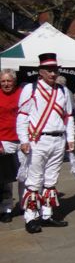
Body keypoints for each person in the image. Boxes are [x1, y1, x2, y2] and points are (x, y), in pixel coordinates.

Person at [17, 53, 75, 233]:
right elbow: (22, 116)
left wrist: (71, 138)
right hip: (38, 140)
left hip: (58, 140)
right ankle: (31, 217)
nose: (52, 74)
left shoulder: (63, 91)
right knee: (34, 180)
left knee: (51, 179)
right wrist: (23, 140)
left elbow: (68, 117)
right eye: (49, 70)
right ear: (40, 71)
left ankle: (47, 215)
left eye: (55, 70)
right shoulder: (31, 89)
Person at [0, 69, 21, 222]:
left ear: (14, 81)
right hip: (4, 140)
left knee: (24, 176)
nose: (6, 84)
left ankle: (26, 205)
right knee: (6, 179)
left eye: (9, 81)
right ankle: (6, 208)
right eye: (3, 81)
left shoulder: (22, 93)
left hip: (22, 140)